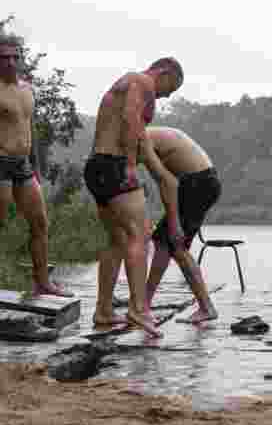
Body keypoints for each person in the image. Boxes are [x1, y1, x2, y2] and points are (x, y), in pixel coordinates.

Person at [84, 57, 183, 338]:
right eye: (170, 88)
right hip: (115, 164)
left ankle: (103, 311)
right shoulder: (141, 82)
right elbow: (130, 119)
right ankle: (138, 309)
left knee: (117, 240)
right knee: (140, 236)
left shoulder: (125, 83)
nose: (165, 96)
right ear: (164, 73)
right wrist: (129, 165)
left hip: (97, 166)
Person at [0, 33, 72, 297]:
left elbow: (30, 128)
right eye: (3, 57)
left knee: (40, 223)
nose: (9, 62)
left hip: (23, 165)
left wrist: (37, 168)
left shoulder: (27, 89)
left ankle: (43, 282)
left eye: (14, 57)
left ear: (20, 59)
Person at [138, 126, 219, 324]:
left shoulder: (139, 139)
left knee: (176, 244)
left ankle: (206, 307)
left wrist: (174, 223)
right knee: (163, 243)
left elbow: (167, 183)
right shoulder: (148, 134)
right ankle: (144, 304)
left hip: (197, 184)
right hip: (201, 181)